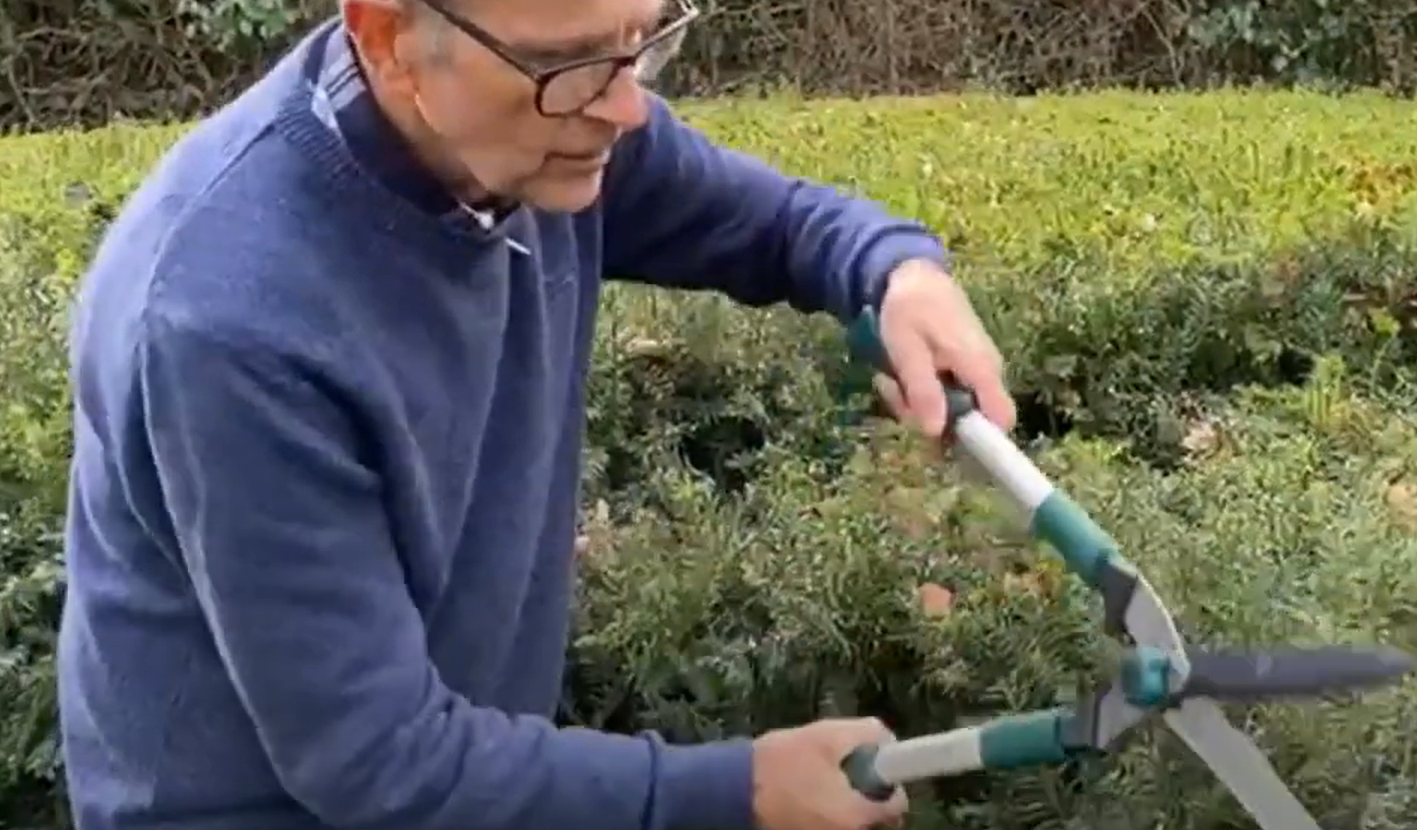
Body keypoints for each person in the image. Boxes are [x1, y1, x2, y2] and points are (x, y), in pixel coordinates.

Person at [54, 0, 1017, 828]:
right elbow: (380, 762)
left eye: (642, 39)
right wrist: (740, 791)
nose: (627, 105)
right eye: (564, 64)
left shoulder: (541, 131)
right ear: (386, 35)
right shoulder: (233, 320)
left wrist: (894, 272)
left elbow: (779, 227)